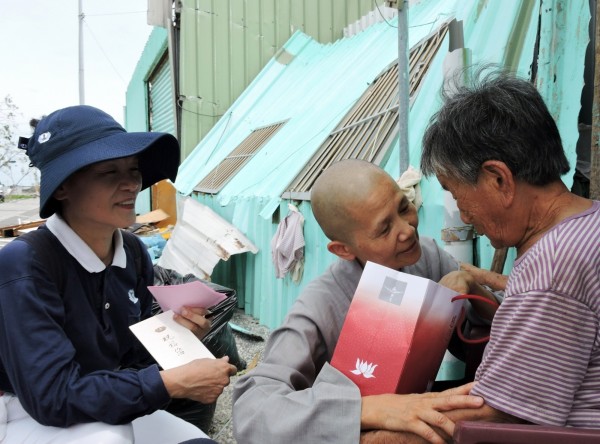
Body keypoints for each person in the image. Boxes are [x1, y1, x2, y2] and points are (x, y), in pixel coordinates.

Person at [0, 105, 237, 443]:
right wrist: (171, 383)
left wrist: (176, 335)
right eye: (109, 172)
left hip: (105, 396)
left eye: (134, 169)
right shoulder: (25, 264)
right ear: (62, 188)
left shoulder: (133, 252)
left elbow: (132, 359)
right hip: (27, 413)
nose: (131, 185)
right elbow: (51, 398)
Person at [232, 159, 497, 444]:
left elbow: (485, 339)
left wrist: (474, 289)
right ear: (343, 250)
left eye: (403, 207)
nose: (407, 230)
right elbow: (251, 412)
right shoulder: (321, 304)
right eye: (384, 229)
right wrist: (367, 409)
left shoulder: (428, 258)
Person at [420, 68, 600, 428]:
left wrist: (366, 423)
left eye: (457, 195)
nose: (465, 215)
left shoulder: (552, 267)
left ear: (498, 179)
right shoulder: (588, 222)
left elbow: (489, 417)